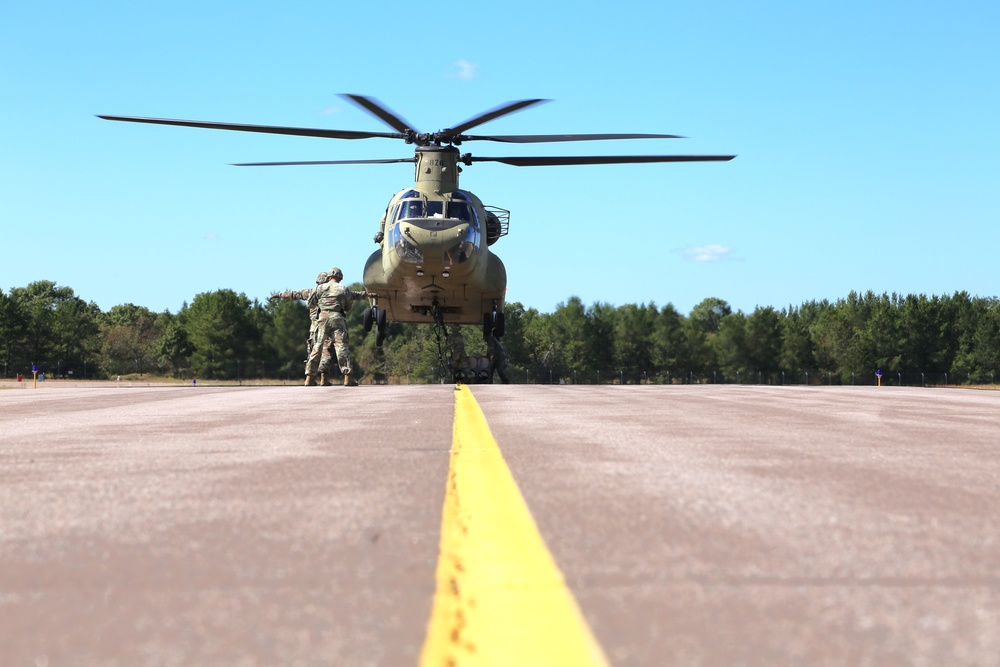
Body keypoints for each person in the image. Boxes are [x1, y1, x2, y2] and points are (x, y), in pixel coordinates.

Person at [269, 271, 332, 386]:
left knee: (313, 352)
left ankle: (310, 378)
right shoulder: (332, 293)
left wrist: (279, 295)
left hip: (314, 327)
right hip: (326, 325)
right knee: (326, 352)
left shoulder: (310, 292)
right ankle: (324, 378)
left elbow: (293, 294)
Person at [310, 267, 367, 386]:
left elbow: (310, 304)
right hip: (337, 318)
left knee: (318, 346)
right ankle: (347, 378)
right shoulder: (343, 289)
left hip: (322, 318)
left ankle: (309, 377)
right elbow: (348, 307)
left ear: (329, 277)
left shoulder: (320, 288)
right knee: (341, 347)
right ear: (340, 278)